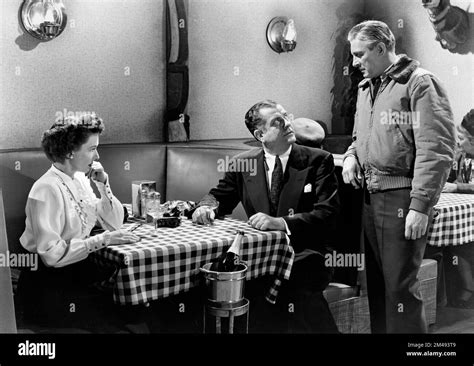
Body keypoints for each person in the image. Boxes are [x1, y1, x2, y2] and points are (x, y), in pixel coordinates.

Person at [342, 20, 456, 333]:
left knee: (400, 291)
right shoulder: (368, 87)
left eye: (360, 54)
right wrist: (352, 156)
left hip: (400, 201)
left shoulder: (419, 83)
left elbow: (437, 149)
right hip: (370, 198)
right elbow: (359, 136)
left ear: (381, 48)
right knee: (377, 288)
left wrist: (419, 206)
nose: (355, 63)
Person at [193, 100, 340, 333]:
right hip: (261, 256)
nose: (288, 123)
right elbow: (218, 197)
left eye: (286, 116)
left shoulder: (318, 160)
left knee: (292, 287)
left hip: (307, 252)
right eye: (278, 121)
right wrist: (206, 208)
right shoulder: (243, 163)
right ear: (260, 134)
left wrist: (281, 223)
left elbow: (327, 214)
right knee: (215, 284)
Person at [17, 112, 139, 328]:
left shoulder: (80, 179)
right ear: (70, 151)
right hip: (48, 287)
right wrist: (104, 240)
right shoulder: (46, 189)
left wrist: (104, 185)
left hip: (76, 275)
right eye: (92, 149)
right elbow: (52, 256)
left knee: (135, 311)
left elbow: (114, 223)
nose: (98, 156)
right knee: (123, 319)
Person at [429, 109, 474, 309]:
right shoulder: (463, 156)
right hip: (463, 212)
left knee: (463, 245)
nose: (458, 141)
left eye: (462, 138)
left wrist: (457, 187)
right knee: (454, 242)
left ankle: (467, 288)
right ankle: (452, 291)